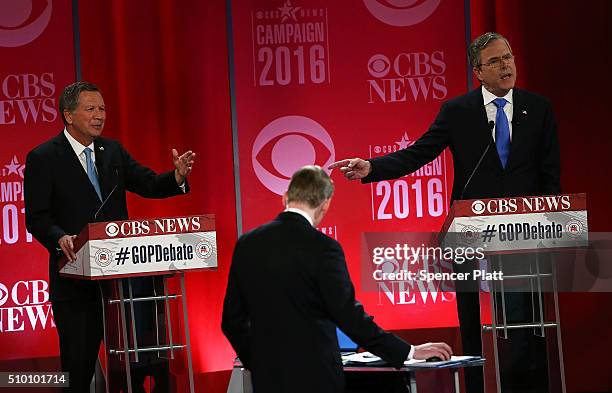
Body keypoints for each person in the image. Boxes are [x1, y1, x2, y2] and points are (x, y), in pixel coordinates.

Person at [329, 32, 561, 393]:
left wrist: (551, 223)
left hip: (522, 232)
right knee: (471, 323)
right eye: (496, 61)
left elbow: (550, 175)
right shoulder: (459, 112)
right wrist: (371, 168)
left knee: (522, 322)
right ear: (478, 72)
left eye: (509, 57)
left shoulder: (539, 108)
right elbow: (417, 153)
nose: (506, 66)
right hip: (467, 229)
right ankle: (472, 386)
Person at [24, 81, 195, 392]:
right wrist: (60, 237)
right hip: (75, 283)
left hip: (121, 286)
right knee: (77, 371)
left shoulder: (112, 151)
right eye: (90, 109)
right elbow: (37, 218)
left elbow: (148, 184)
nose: (99, 115)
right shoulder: (43, 157)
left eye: (102, 108)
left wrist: (177, 177)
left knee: (131, 370)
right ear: (68, 115)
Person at [221, 165, 452, 393]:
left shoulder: (247, 244)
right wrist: (408, 352)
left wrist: (259, 363)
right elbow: (349, 316)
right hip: (317, 379)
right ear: (325, 203)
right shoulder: (324, 248)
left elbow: (231, 321)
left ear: (285, 197)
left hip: (268, 381)